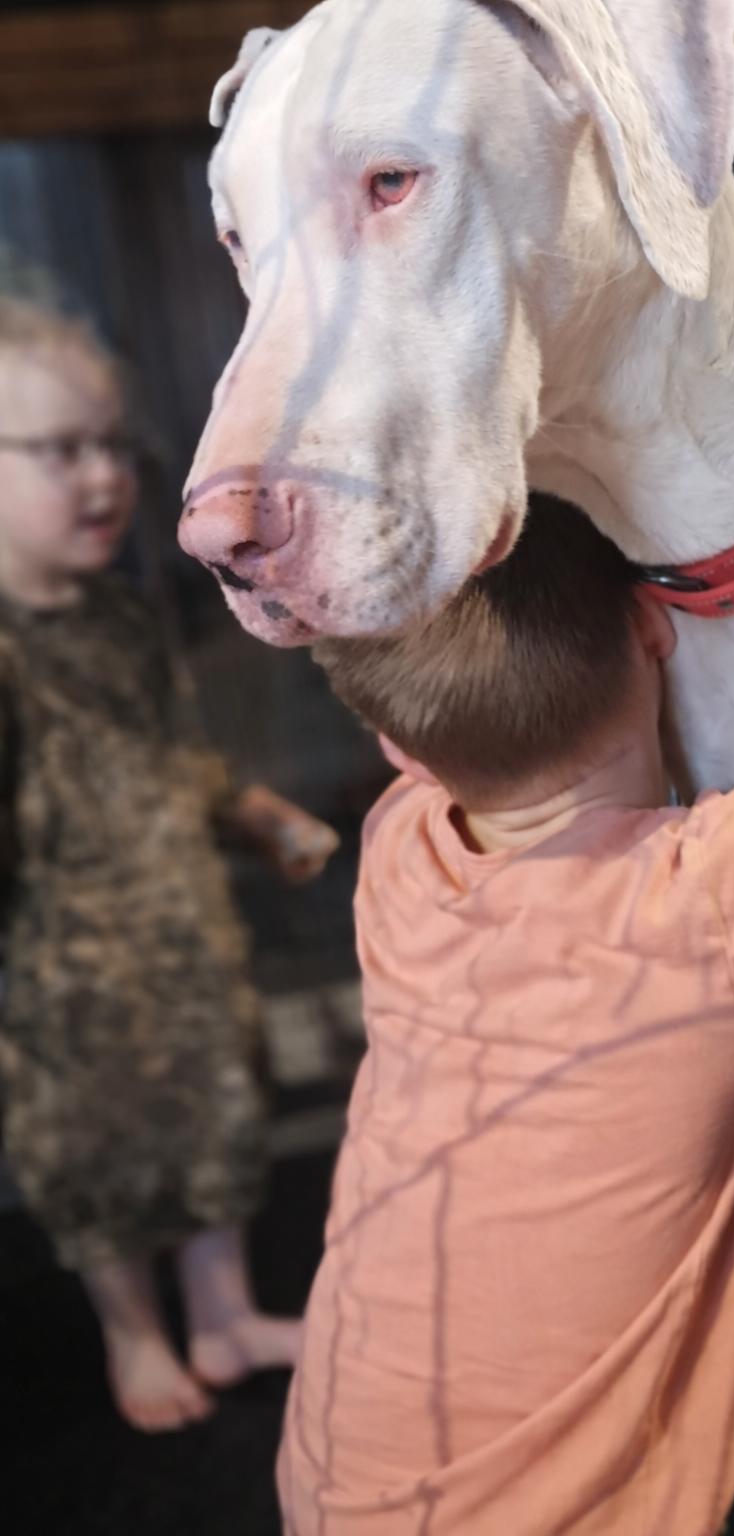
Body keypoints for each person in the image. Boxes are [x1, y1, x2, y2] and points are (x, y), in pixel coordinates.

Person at [278, 227, 734, 1536]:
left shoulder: (404, 855)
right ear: (655, 627)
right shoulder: (722, 907)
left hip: (336, 1500)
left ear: (396, 752)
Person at [0, 295, 339, 1433]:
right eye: (60, 451)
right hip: (66, 985)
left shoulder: (125, 619)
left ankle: (224, 1314)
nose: (103, 478)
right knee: (97, 1160)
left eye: (114, 447)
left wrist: (249, 811)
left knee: (220, 1123)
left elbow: (177, 757)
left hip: (185, 943)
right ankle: (134, 1333)